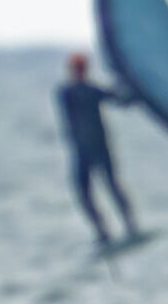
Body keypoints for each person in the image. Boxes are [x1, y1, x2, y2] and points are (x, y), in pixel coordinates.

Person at [54, 52, 141, 249]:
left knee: (108, 187)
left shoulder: (81, 92)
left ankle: (124, 228)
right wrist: (132, 87)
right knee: (89, 192)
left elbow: (121, 100)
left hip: (91, 148)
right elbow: (122, 100)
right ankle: (107, 231)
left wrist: (131, 89)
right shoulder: (74, 92)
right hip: (87, 149)